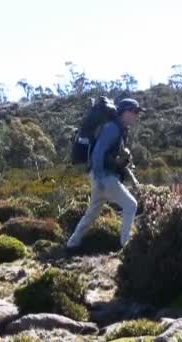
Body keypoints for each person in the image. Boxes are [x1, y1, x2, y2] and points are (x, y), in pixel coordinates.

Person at [67, 98, 144, 250]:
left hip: (99, 177)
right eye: (133, 112)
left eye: (137, 113)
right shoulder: (112, 129)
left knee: (92, 213)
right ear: (124, 112)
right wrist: (101, 178)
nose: (136, 116)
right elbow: (97, 153)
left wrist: (133, 180)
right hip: (104, 177)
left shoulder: (120, 130)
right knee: (131, 205)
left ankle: (72, 244)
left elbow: (119, 160)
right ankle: (125, 245)